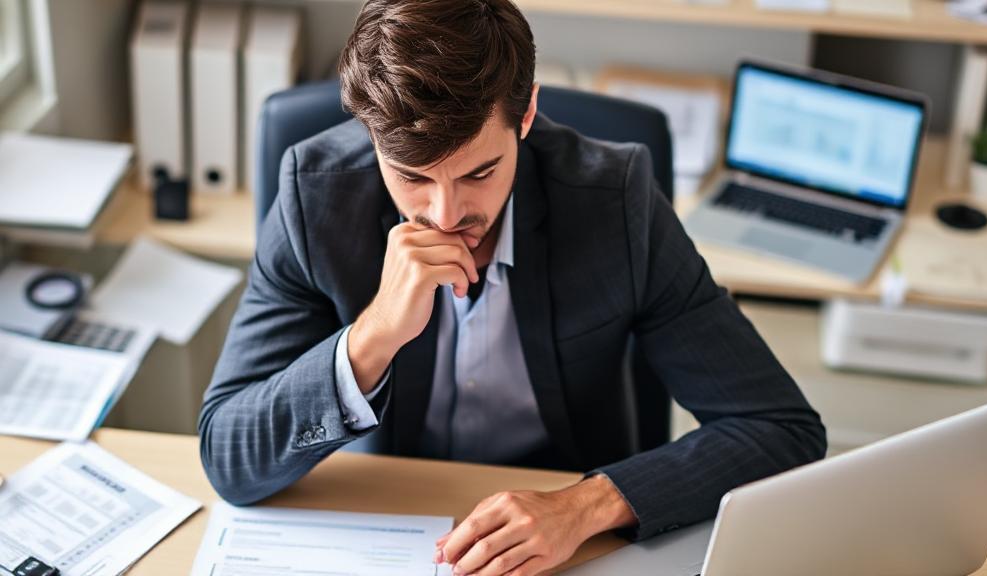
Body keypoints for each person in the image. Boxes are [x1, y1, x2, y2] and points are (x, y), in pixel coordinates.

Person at [198, 1, 827, 574]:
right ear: (370, 134)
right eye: (412, 176)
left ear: (525, 113)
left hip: (568, 539)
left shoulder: (615, 200)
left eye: (480, 171)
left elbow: (780, 429)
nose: (445, 215)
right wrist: (370, 340)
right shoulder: (315, 194)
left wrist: (585, 505)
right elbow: (228, 456)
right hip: (389, 522)